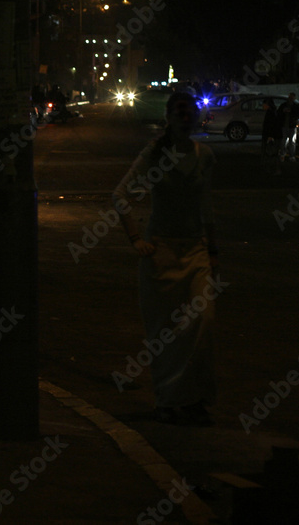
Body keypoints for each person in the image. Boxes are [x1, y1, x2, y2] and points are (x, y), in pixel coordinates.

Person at [112, 91, 219, 425]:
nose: (187, 119)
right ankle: (170, 401)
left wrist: (212, 250)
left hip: (195, 249)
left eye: (191, 113)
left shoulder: (204, 155)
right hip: (162, 252)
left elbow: (206, 206)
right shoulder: (155, 154)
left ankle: (194, 397)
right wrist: (135, 239)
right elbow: (120, 195)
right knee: (167, 331)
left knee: (201, 324)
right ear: (169, 118)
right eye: (181, 113)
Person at [276, 93, 299, 161]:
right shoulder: (289, 106)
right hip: (287, 125)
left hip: (290, 126)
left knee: (289, 141)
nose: (290, 99)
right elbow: (279, 113)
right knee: (286, 141)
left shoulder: (293, 106)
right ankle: (286, 155)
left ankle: (288, 155)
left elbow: (298, 115)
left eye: (291, 98)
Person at [261, 97, 282, 174]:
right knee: (273, 153)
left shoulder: (270, 113)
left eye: (264, 104)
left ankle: (271, 169)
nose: (263, 106)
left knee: (270, 153)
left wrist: (270, 136)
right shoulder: (273, 112)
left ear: (267, 105)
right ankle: (275, 169)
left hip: (272, 136)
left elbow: (271, 126)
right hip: (275, 136)